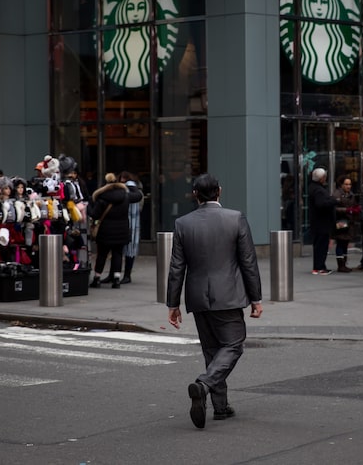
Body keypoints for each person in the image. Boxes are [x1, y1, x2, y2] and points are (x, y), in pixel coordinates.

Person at [166, 173, 263, 430]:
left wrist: (172, 304)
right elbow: (248, 262)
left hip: (198, 296)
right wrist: (256, 298)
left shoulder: (183, 223)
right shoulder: (235, 218)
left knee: (212, 350)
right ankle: (204, 385)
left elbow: (177, 267)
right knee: (233, 345)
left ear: (195, 194)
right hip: (229, 294)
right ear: (219, 191)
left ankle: (220, 407)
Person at [88, 172, 143, 288]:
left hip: (105, 231)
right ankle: (116, 279)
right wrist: (131, 185)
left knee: (102, 255)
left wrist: (88, 206)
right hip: (122, 230)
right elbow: (138, 196)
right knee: (118, 254)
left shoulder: (102, 197)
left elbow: (94, 214)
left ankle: (97, 278)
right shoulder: (125, 196)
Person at [308, 167, 340, 275]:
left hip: (318, 222)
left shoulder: (313, 188)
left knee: (318, 245)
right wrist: (333, 201)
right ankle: (320, 267)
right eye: (324, 177)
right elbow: (321, 204)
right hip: (321, 223)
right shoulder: (318, 190)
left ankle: (317, 266)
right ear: (321, 178)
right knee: (321, 245)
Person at [118, 170, 144, 284]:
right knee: (130, 249)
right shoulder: (136, 189)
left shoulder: (126, 189)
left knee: (124, 249)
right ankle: (126, 275)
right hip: (133, 222)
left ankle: (125, 275)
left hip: (126, 222)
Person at [331, 174, 360, 273]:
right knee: (340, 242)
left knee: (345, 242)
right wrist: (347, 210)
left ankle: (344, 263)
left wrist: (355, 210)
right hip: (340, 222)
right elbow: (334, 208)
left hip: (349, 222)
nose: (348, 186)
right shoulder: (337, 194)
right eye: (346, 184)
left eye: (350, 184)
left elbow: (354, 205)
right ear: (341, 185)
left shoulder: (351, 194)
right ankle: (341, 264)